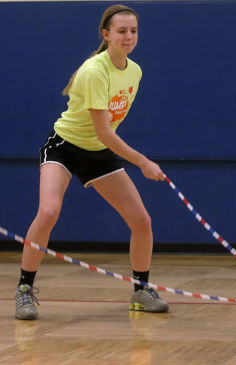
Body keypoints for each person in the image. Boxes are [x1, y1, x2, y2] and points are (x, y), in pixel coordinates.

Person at [14, 4, 169, 320]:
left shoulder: (135, 71)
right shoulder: (94, 71)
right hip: (64, 149)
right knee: (48, 212)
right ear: (106, 34)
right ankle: (24, 290)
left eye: (133, 31)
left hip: (98, 154)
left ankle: (141, 290)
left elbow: (106, 135)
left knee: (142, 221)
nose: (128, 37)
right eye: (121, 31)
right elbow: (105, 130)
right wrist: (143, 162)